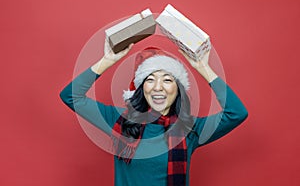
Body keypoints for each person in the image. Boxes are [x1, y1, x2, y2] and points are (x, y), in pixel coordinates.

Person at [60, 41, 248, 186]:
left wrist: (203, 68)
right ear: (142, 88)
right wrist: (107, 61)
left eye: (167, 80)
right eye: (150, 80)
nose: (158, 87)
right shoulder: (120, 120)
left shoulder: (189, 129)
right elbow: (71, 96)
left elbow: (236, 113)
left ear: (178, 89)